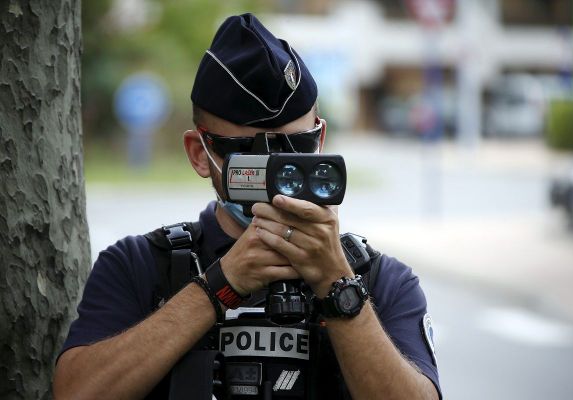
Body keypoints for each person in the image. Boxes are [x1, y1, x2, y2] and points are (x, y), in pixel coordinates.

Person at [53, 13, 441, 400]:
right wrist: (217, 287)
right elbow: (75, 394)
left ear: (320, 139)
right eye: (247, 154)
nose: (275, 174)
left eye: (295, 148)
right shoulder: (140, 265)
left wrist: (339, 288)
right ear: (199, 154)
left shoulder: (379, 280)